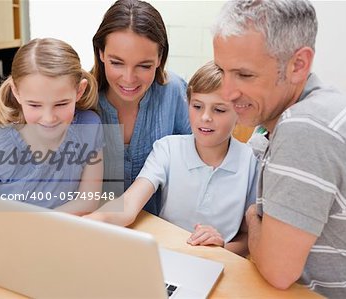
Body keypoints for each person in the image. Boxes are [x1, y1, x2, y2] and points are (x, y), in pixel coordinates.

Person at [212, 0, 346, 298]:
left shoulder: (305, 127)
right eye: (221, 70)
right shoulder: (322, 104)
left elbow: (278, 271)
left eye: (245, 75)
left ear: (298, 65)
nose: (226, 92)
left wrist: (254, 216)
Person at [0, 38, 104, 280]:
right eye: (34, 104)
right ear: (16, 92)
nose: (49, 117)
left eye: (61, 104)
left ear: (80, 90)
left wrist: (35, 230)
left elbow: (88, 200)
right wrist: (10, 253)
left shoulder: (89, 127)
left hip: (47, 240)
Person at [85, 61, 258, 256]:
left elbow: (247, 237)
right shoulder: (167, 148)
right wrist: (83, 224)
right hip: (165, 256)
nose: (205, 117)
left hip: (221, 263)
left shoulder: (252, 163)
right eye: (197, 106)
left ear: (239, 113)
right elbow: (128, 204)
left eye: (219, 110)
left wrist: (222, 247)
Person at [91, 0, 191, 215]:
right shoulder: (81, 100)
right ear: (101, 53)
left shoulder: (174, 91)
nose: (129, 79)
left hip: (164, 230)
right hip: (93, 229)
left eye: (144, 66)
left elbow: (202, 158)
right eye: (117, 62)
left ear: (159, 58)